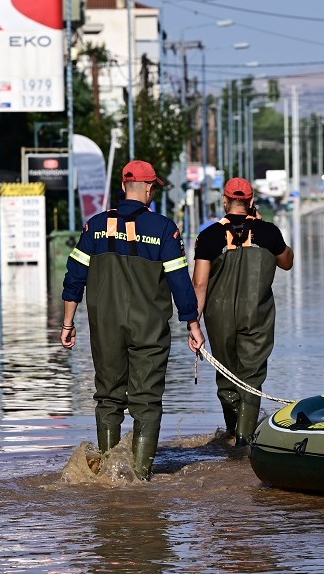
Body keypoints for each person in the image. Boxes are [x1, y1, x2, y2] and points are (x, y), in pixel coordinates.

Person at [59, 160, 205, 479]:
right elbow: (180, 282)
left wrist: (68, 323)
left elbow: (74, 278)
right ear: (149, 188)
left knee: (108, 398)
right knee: (147, 402)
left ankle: (107, 478)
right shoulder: (164, 229)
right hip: (149, 328)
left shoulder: (94, 226)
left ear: (124, 186)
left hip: (105, 327)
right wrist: (193, 325)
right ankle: (139, 479)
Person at [192, 177, 294, 446]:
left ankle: (231, 433)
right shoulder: (269, 232)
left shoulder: (209, 235)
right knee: (252, 377)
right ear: (251, 202)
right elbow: (287, 262)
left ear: (224, 201)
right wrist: (262, 225)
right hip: (257, 316)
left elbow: (199, 284)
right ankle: (244, 440)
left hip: (218, 318)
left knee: (226, 376)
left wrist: (194, 324)